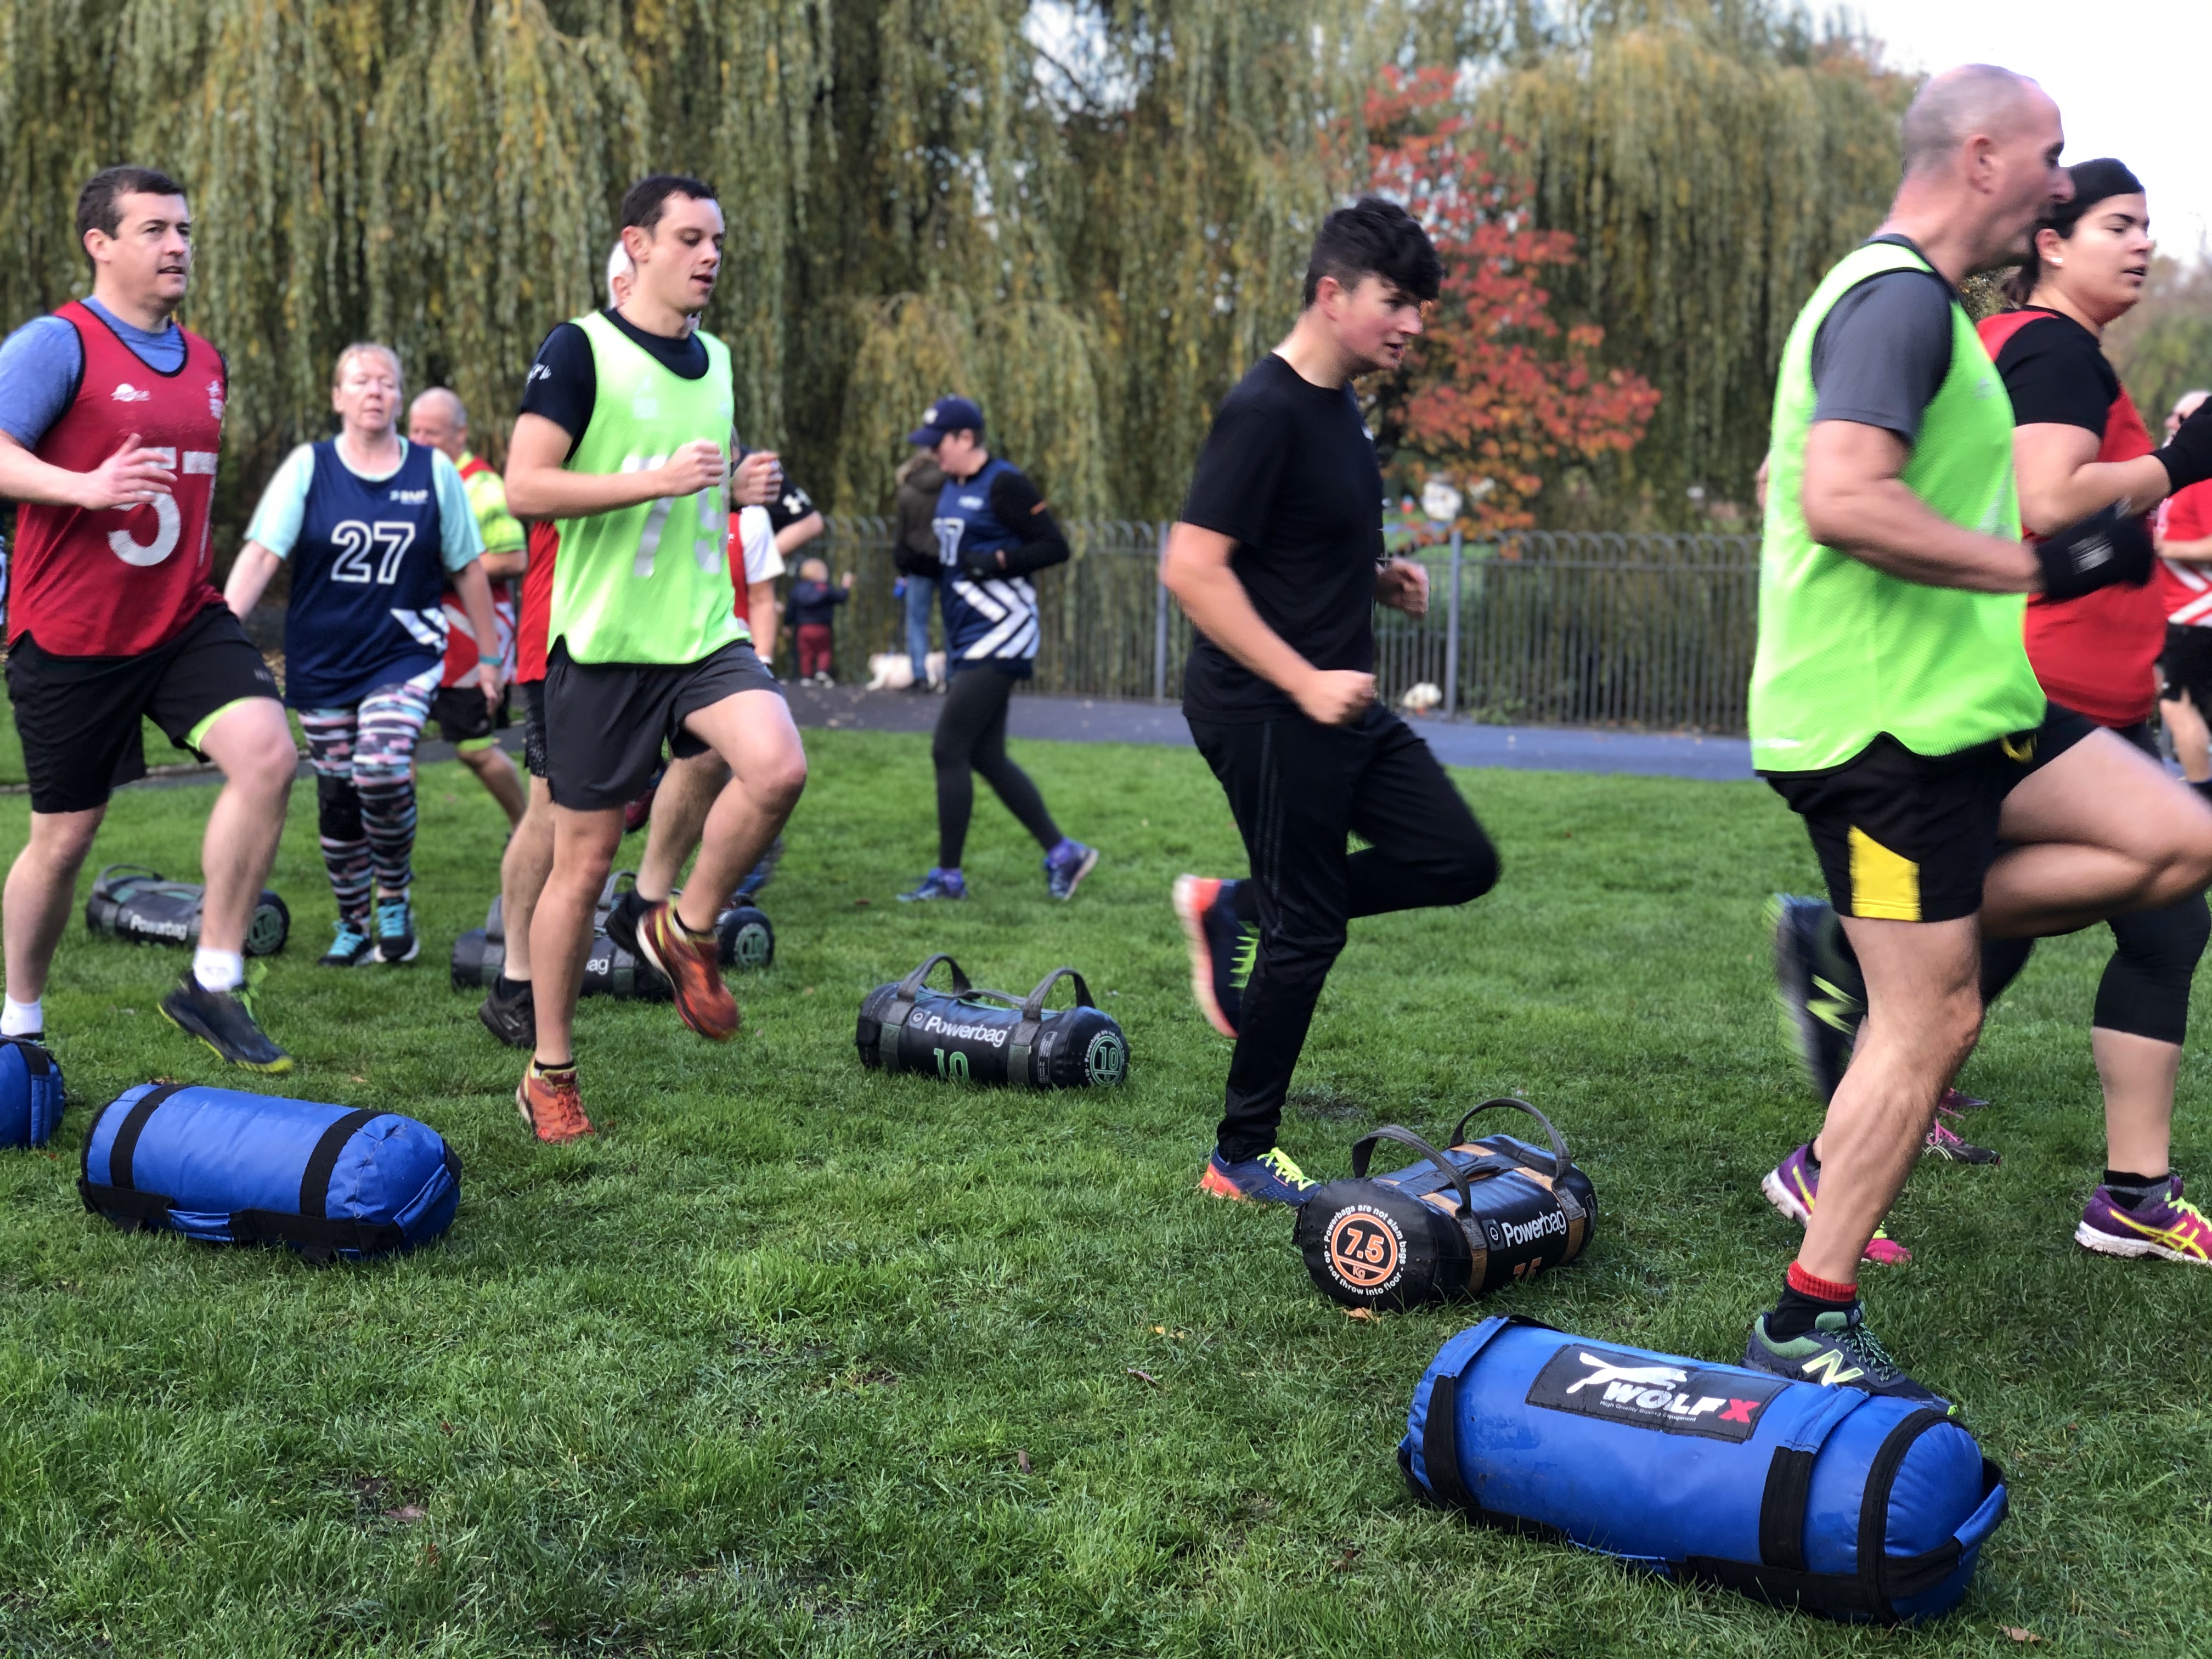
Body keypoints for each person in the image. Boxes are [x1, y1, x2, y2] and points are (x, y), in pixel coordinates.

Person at [1752, 69, 2212, 1405]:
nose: (2067, 188)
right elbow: (1839, 499)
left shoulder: (1930, 319)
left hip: (1983, 717)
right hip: (1880, 732)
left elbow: (1793, 474)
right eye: (2055, 160)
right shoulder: (1894, 297)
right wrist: (2035, 569)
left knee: (2179, 840)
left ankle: (1872, 934)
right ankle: (1804, 1320)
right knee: (1935, 1018)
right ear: (1985, 153)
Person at [1161, 198, 1498, 1205]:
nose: (1412, 325)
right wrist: (1301, 676)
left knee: (1457, 857)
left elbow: (1295, 542)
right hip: (1267, 706)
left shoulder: (1339, 407)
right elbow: (1191, 566)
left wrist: (1376, 574)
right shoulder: (1263, 407)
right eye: (1395, 301)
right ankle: (1239, 1151)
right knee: (1312, 930)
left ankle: (1238, 908)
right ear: (1330, 292)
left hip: (1335, 699)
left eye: (1421, 307)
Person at [499, 174, 800, 1143]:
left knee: (777, 765)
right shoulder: (576, 349)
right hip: (601, 642)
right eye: (690, 239)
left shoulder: (715, 359)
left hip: (701, 630)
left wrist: (739, 485)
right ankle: (550, 1070)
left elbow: (696, 487)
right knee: (580, 866)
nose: (710, 256)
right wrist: (658, 481)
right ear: (636, 245)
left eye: (718, 241)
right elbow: (525, 486)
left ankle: (684, 923)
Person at [0, 165, 298, 1071]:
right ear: (101, 244)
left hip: (180, 619)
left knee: (269, 756)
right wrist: (82, 487)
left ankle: (212, 979)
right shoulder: (59, 344)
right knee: (63, 839)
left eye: (185, 229)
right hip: (70, 633)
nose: (178, 246)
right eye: (156, 230)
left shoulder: (205, 359)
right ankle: (17, 1019)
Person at [225, 342, 500, 967]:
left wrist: (489, 657)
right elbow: (264, 553)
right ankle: (352, 922)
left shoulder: (433, 472)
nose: (375, 390)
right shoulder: (309, 467)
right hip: (322, 659)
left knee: (379, 765)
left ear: (400, 398)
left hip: (404, 652)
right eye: (361, 380)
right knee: (339, 790)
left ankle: (395, 897)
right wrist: (217, 628)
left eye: (387, 381)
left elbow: (468, 568)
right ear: (338, 397)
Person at [894, 396, 1098, 902]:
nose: (933, 455)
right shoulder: (951, 486)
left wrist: (999, 559)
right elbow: (958, 561)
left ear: (967, 439)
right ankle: (1065, 854)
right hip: (968, 635)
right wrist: (917, 564)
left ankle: (948, 879)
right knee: (984, 754)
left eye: (938, 444)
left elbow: (1055, 546)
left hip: (1004, 633)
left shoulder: (1005, 483)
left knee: (948, 748)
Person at [406, 386, 529, 828]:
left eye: (431, 432)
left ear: (460, 435)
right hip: (412, 634)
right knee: (397, 742)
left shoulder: (482, 485)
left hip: (469, 638)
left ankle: (527, 827)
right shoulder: (404, 476)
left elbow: (514, 558)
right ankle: (392, 851)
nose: (419, 440)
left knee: (474, 749)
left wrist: (440, 570)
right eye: (414, 429)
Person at [2155, 389, 2212, 796]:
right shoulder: (2180, 475)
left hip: (2196, 614)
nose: (2173, 424)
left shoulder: (2205, 477)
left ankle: (2201, 797)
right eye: (2173, 416)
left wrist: (2157, 549)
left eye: (2185, 417)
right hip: (2177, 612)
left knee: (2178, 702)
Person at [893, 449, 945, 688]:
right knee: (951, 621)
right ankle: (953, 676)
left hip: (917, 560)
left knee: (917, 622)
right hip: (947, 559)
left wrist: (902, 565)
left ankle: (920, 675)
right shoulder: (951, 487)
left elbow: (901, 533)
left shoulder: (907, 492)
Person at [787, 557, 852, 684]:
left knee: (806, 653)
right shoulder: (826, 588)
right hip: (822, 628)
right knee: (824, 651)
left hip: (804, 629)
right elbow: (840, 598)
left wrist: (787, 624)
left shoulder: (797, 590)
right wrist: (845, 586)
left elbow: (791, 609)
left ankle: (806, 676)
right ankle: (822, 671)